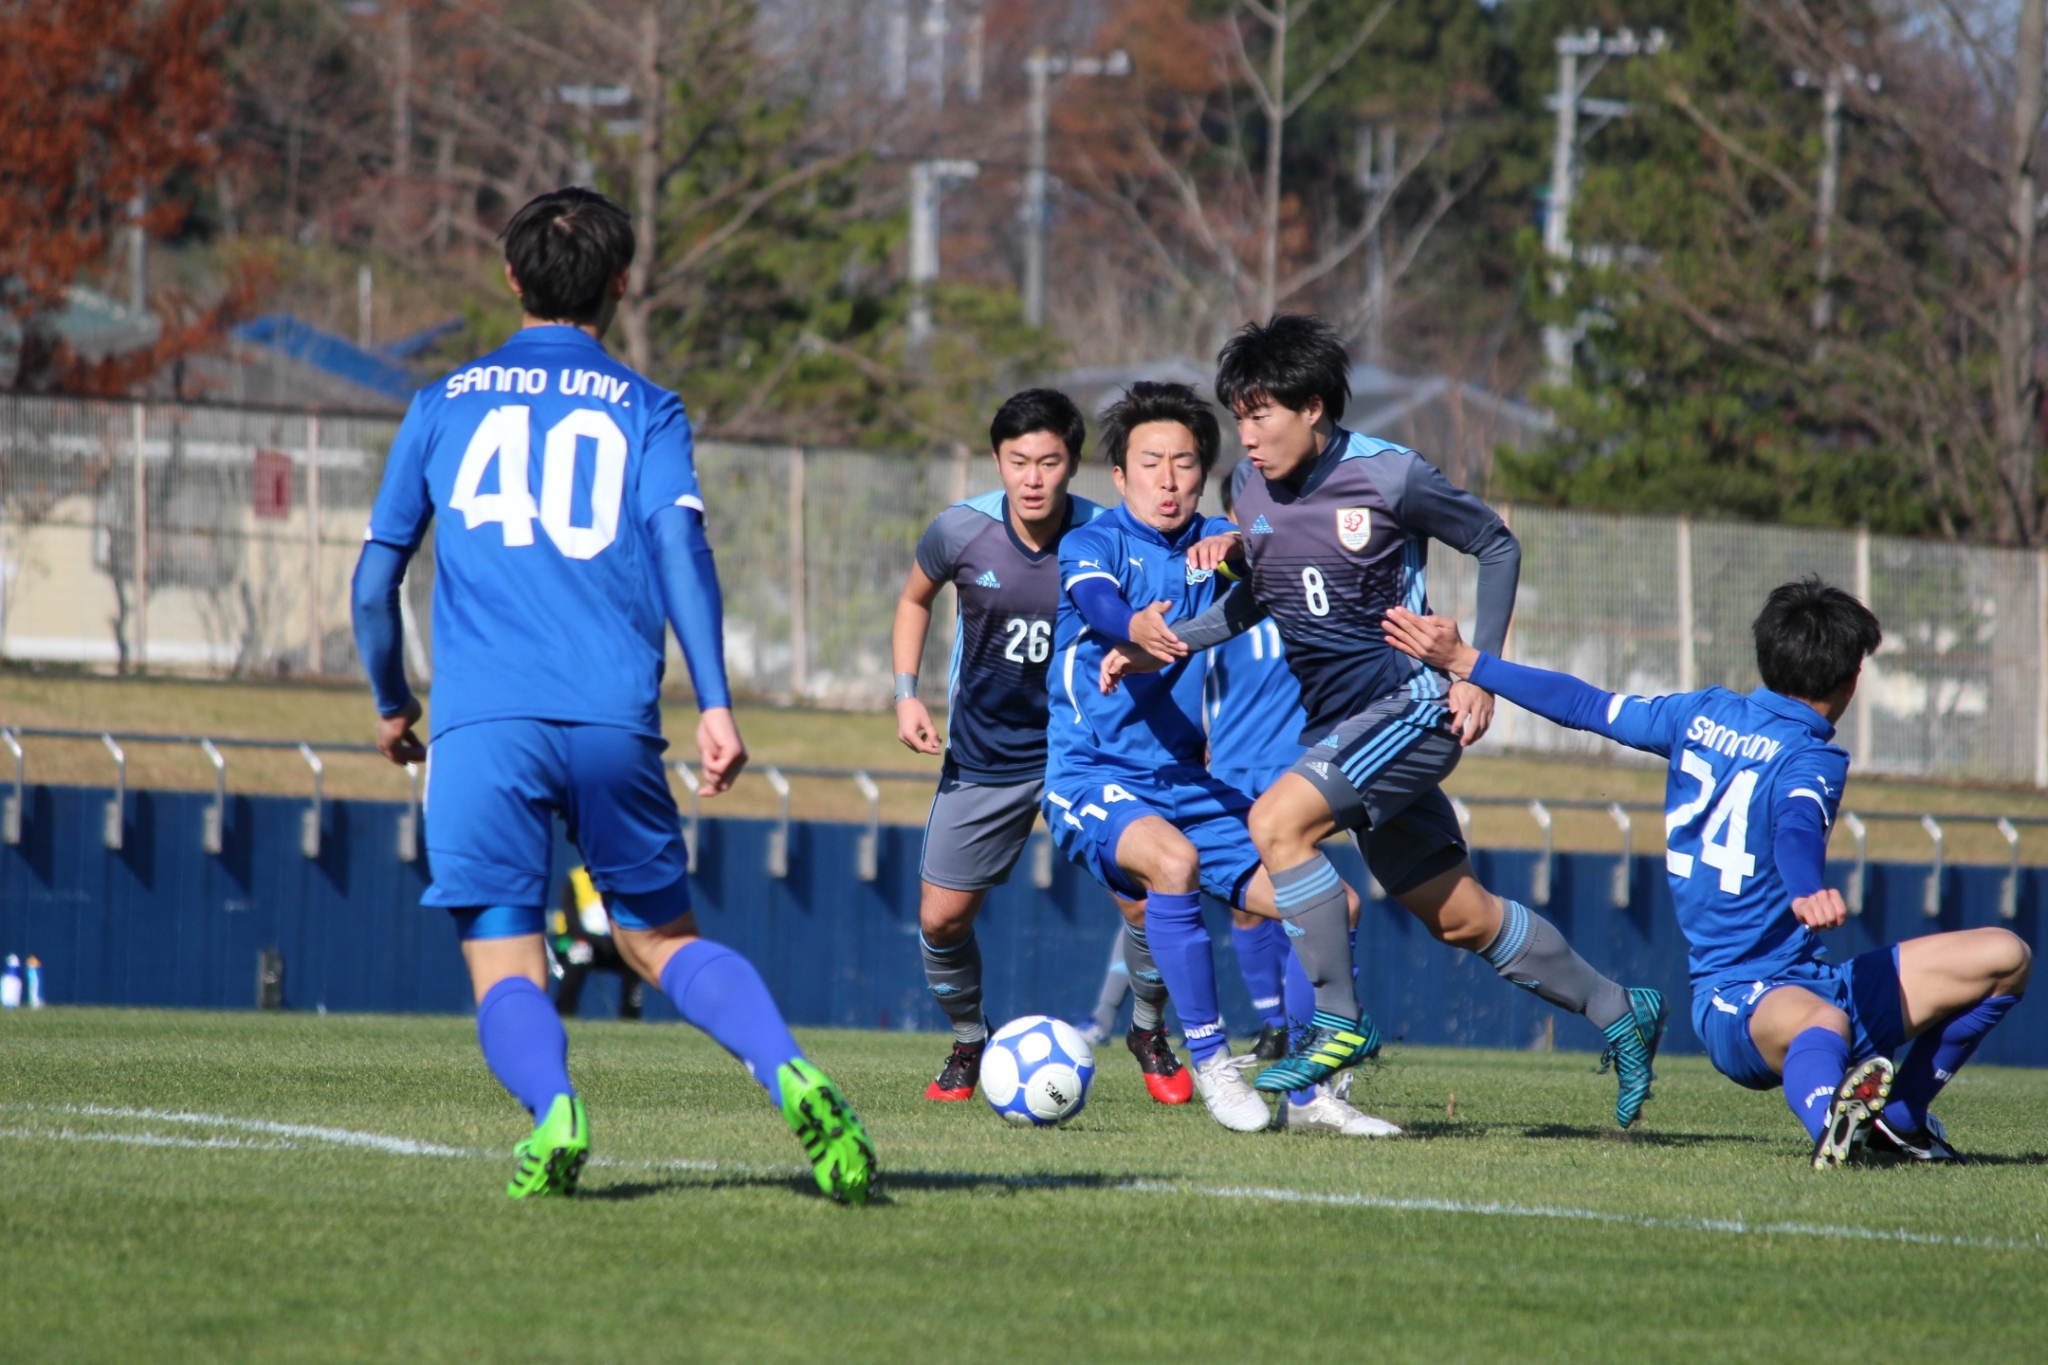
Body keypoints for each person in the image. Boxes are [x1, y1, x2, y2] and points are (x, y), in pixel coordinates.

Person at [350, 187, 874, 1203]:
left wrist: (390, 703)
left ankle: (555, 1110)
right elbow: (679, 545)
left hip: (484, 726)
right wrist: (714, 701)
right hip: (611, 722)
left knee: (506, 957)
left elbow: (375, 584)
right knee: (661, 939)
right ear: (621, 284)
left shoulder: (441, 404)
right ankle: (787, 1071)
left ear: (511, 277)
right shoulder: (647, 406)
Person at [1109, 314, 1664, 1128]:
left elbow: (1497, 545)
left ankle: (1339, 1021)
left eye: (1261, 415)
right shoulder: (1250, 489)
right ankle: (1620, 1006)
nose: (1246, 436)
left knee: (1276, 821)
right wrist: (1169, 642)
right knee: (1459, 913)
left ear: (1313, 407)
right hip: (1342, 729)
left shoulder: (1391, 474)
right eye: (1239, 417)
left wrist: (1477, 670)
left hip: (1412, 706)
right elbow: (1260, 597)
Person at [1383, 580, 2032, 1166]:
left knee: (2005, 956)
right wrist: (1806, 887)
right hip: (1739, 999)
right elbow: (1796, 826)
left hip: (1815, 981)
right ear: (1851, 681)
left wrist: (1471, 661)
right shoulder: (1812, 757)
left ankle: (1902, 1117)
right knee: (1824, 1025)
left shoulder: (1700, 713)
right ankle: (1834, 1131)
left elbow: (1586, 704)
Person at [892, 391, 1191, 1106]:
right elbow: (913, 599)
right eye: (1018, 461)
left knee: (1150, 899)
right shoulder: (959, 530)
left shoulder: (1106, 535)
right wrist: (906, 692)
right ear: (997, 461)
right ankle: (971, 1039)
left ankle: (1148, 1031)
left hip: (1087, 752)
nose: (1032, 478)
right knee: (940, 919)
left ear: (1073, 464)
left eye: (1049, 462)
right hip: (985, 755)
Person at [1049, 380, 1320, 1134]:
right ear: (1119, 475)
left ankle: (1312, 1086)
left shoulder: (1216, 542)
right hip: (1092, 774)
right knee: (1173, 863)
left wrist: (1242, 546)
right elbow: (1099, 602)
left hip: (1188, 780)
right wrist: (1131, 624)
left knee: (1330, 903)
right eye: (1150, 463)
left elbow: (1270, 560)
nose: (1168, 480)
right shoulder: (1092, 542)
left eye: (1185, 463)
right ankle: (1211, 1059)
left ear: (1204, 472)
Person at [549, 866, 645, 1020]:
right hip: (575, 942)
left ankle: (630, 1018)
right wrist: (599, 941)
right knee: (579, 953)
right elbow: (573, 926)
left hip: (610, 944)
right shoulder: (575, 880)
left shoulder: (619, 882)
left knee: (633, 960)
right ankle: (564, 1014)